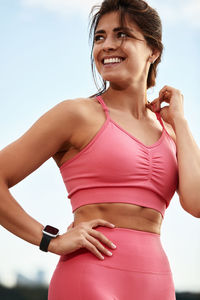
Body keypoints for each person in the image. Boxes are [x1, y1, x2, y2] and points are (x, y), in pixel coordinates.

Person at [0, 0, 200, 299]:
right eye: (99, 36)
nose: (106, 45)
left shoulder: (171, 129)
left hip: (156, 281)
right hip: (88, 275)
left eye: (121, 35)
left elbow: (196, 203)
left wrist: (181, 122)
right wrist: (49, 240)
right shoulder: (76, 114)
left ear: (153, 50)